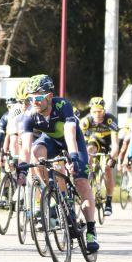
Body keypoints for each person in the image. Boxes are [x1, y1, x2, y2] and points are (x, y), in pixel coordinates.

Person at [17, 74, 100, 252]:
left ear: (49, 96)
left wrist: (74, 157)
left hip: (73, 143)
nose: (34, 101)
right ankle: (54, 194)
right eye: (30, 98)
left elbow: (70, 134)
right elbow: (25, 146)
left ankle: (91, 230)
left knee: (81, 182)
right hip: (51, 142)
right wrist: (22, 168)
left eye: (38, 97)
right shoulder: (29, 115)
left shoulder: (63, 106)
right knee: (35, 153)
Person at [78, 96, 119, 216]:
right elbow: (81, 143)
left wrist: (112, 157)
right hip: (95, 141)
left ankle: (109, 202)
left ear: (104, 111)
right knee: (89, 150)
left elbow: (115, 144)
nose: (98, 114)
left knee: (107, 169)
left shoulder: (111, 120)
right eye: (95, 111)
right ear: (90, 111)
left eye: (100, 111)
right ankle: (88, 174)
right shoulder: (85, 121)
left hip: (109, 144)